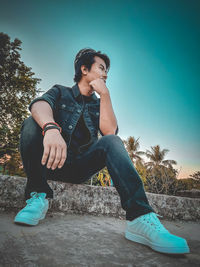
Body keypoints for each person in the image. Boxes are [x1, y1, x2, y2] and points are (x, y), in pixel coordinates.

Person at [14, 48, 190, 254]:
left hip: (79, 167)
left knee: (112, 141)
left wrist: (105, 95)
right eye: (102, 68)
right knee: (32, 123)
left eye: (107, 71)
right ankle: (38, 195)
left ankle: (139, 217)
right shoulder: (61, 91)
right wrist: (51, 128)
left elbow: (109, 133)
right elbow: (39, 105)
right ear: (84, 69)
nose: (106, 73)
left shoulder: (99, 103)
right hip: (49, 164)